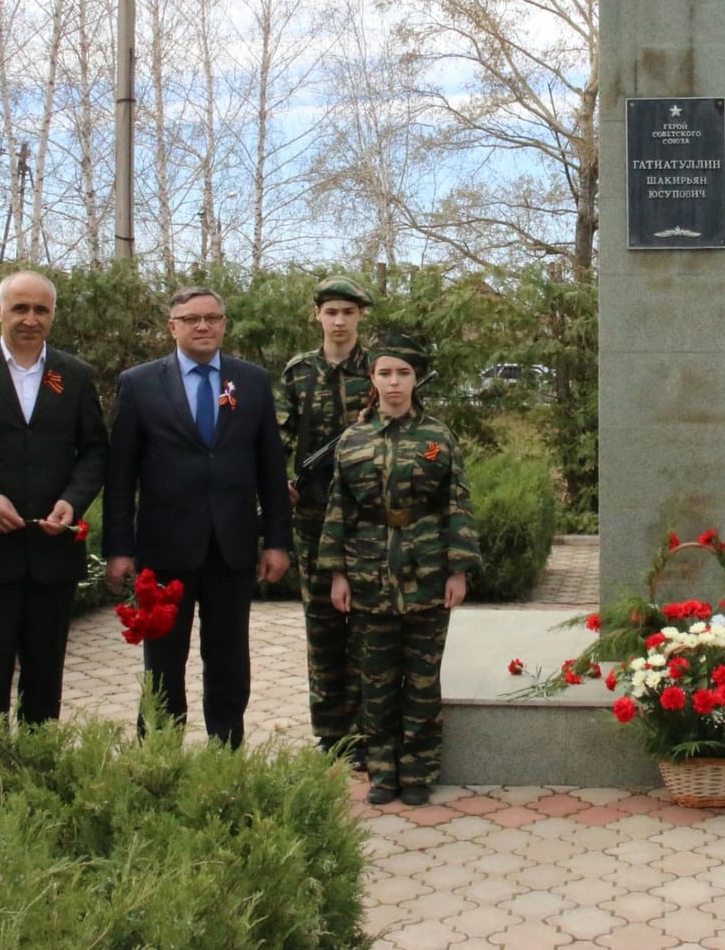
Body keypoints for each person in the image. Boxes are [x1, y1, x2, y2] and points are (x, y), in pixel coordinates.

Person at [103, 286, 291, 745]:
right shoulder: (139, 382)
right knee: (163, 665)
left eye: (212, 318)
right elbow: (121, 474)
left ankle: (225, 759)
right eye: (190, 319)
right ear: (173, 327)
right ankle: (159, 760)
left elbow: (270, 466)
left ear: (225, 323)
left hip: (231, 548)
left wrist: (277, 541)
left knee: (229, 661)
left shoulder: (250, 381)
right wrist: (118, 549)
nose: (202, 326)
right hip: (164, 552)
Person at [0, 270, 107, 733]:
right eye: (20, 308)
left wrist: (74, 501)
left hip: (53, 554)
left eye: (41, 310)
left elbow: (94, 449)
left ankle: (38, 774)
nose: (30, 319)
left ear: (53, 315)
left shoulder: (72, 375)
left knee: (45, 678)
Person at [322, 334, 481, 807]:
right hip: (369, 574)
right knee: (376, 680)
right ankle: (382, 771)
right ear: (372, 379)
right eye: (385, 373)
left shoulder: (437, 437)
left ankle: (417, 771)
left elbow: (457, 503)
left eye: (404, 373)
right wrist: (337, 574)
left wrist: (459, 570)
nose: (394, 383)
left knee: (421, 679)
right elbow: (338, 509)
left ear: (416, 379)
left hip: (427, 573)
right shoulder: (352, 440)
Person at [275, 274, 376, 759]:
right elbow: (277, 435)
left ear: (360, 317)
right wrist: (278, 479)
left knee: (365, 623)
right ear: (318, 315)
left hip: (367, 520)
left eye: (349, 313)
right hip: (312, 516)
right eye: (331, 312)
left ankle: (364, 731)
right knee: (321, 623)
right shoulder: (298, 372)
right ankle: (330, 731)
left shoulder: (379, 371)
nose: (339, 321)